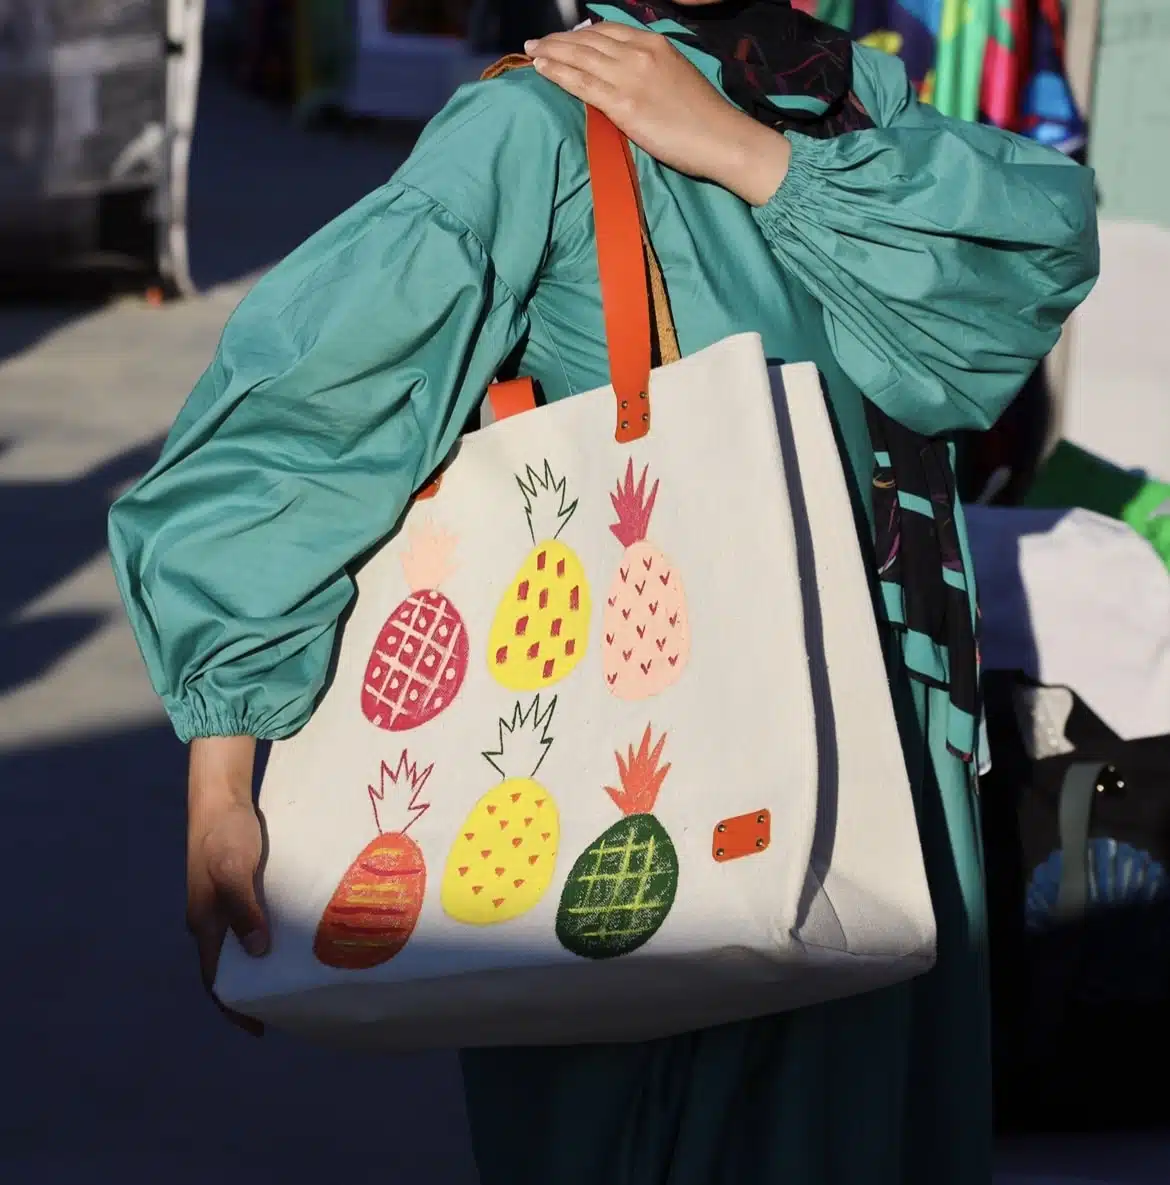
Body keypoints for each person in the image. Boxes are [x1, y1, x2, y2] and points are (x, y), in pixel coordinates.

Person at [108, 3, 1099, 1183]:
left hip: (899, 782)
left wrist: (755, 161)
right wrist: (221, 781)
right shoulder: (537, 126)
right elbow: (298, 424)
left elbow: (1029, 260)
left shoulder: (837, 97)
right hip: (660, 804)